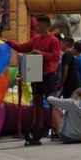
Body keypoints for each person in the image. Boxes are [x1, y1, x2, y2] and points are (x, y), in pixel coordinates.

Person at [6, 17, 62, 146]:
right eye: (37, 25)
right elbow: (21, 47)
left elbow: (56, 56)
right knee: (37, 103)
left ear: (47, 25)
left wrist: (40, 53)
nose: (37, 27)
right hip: (36, 73)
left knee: (52, 102)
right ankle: (38, 129)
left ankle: (57, 129)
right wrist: (8, 43)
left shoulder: (53, 40)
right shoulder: (35, 39)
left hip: (49, 74)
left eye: (40, 25)